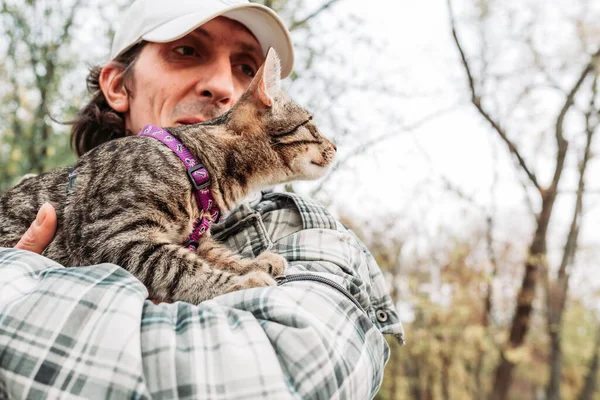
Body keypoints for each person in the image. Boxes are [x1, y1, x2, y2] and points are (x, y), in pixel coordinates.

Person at [0, 0, 405, 398]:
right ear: (118, 86)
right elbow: (126, 245)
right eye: (187, 50)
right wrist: (226, 283)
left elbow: (284, 379)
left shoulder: (299, 229)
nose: (226, 87)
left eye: (247, 69)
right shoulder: (126, 175)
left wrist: (12, 285)